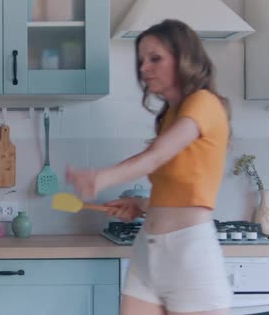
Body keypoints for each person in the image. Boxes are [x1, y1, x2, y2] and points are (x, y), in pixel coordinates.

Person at [66, 19, 232, 315]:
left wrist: (101, 179)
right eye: (142, 60)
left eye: (155, 59)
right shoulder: (170, 115)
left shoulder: (204, 102)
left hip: (189, 255)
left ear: (184, 59)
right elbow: (175, 185)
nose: (143, 68)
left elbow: (156, 156)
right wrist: (142, 204)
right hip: (149, 251)